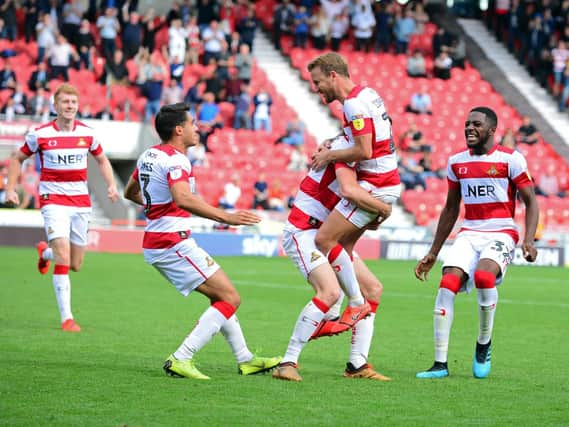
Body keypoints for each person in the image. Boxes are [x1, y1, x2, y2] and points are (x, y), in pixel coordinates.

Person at [123, 102, 281, 380]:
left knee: (221, 298)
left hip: (161, 239)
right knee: (231, 297)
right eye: (193, 124)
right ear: (179, 129)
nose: (198, 128)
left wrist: (155, 207)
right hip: (172, 241)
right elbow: (183, 198)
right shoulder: (176, 159)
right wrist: (226, 217)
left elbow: (131, 191)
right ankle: (181, 358)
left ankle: (245, 359)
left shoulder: (149, 155)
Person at [414, 107, 539, 379]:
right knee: (447, 283)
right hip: (469, 232)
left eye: (477, 124)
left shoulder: (511, 159)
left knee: (484, 277)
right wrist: (433, 252)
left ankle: (483, 344)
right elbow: (450, 209)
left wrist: (528, 239)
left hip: (502, 231)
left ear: (492, 130)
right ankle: (440, 364)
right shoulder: (456, 162)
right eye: (467, 123)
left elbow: (531, 200)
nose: (469, 128)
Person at [273, 135, 393, 382]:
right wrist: (382, 209)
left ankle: (357, 364)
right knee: (329, 292)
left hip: (328, 233)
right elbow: (348, 191)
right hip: (304, 230)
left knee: (373, 289)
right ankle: (287, 362)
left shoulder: (355, 156)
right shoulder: (344, 149)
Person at [5, 83, 119, 332]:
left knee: (76, 263)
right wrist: (11, 188)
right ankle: (67, 318)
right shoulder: (40, 134)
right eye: (65, 102)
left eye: (73, 102)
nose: (69, 106)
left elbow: (102, 159)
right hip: (53, 200)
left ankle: (45, 253)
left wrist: (111, 185)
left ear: (78, 106)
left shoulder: (88, 134)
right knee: (64, 258)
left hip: (80, 202)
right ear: (55, 106)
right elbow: (17, 158)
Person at [307, 52, 401, 331]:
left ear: (333, 75)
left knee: (324, 240)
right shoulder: (368, 94)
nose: (316, 88)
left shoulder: (353, 105)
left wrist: (330, 155)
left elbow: (364, 150)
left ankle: (353, 303)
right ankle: (357, 357)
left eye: (318, 81)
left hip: (375, 183)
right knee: (343, 249)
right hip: (386, 180)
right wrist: (339, 139)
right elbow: (382, 130)